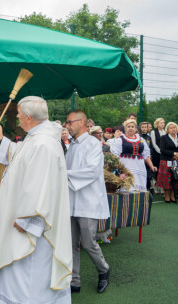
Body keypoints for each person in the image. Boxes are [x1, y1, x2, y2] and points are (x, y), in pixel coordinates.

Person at [0, 96, 72, 303]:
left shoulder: (43, 144)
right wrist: (1, 139)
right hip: (22, 214)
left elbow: (41, 186)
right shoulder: (36, 137)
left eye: (19, 115)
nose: (17, 118)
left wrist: (29, 220)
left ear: (29, 117)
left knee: (28, 270)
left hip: (31, 223)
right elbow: (19, 155)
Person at [65, 110, 110, 294]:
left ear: (81, 122)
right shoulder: (72, 146)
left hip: (88, 201)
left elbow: (92, 171)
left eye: (69, 122)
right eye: (66, 123)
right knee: (70, 243)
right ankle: (74, 280)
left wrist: (63, 175)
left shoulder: (93, 143)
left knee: (88, 242)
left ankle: (104, 270)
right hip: (71, 201)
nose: (67, 126)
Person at [110, 119, 156, 191]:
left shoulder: (141, 139)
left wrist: (151, 166)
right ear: (125, 128)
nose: (130, 128)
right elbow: (115, 155)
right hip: (126, 167)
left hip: (139, 167)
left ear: (135, 128)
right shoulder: (120, 139)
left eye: (132, 126)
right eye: (128, 126)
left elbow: (145, 155)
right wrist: (119, 168)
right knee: (126, 188)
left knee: (138, 187)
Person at [156, 122, 178, 203]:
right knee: (166, 179)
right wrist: (174, 154)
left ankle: (173, 194)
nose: (173, 129)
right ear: (168, 130)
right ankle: (167, 195)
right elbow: (162, 150)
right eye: (171, 128)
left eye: (174, 127)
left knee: (175, 178)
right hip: (166, 161)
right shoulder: (164, 137)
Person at [150, 118, 166, 193]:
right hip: (156, 154)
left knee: (163, 170)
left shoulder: (165, 132)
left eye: (163, 123)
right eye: (161, 123)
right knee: (157, 170)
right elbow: (154, 143)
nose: (162, 124)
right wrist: (160, 151)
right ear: (157, 124)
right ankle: (156, 186)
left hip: (164, 154)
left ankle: (162, 186)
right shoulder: (153, 132)